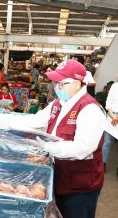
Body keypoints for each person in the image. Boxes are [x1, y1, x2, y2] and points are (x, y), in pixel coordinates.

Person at [22, 59, 105, 218]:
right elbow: (33, 121)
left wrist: (47, 147)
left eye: (62, 83)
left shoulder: (90, 109)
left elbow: (83, 148)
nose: (57, 87)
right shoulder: (58, 103)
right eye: (56, 83)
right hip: (59, 179)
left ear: (77, 83)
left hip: (80, 187)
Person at [102, 80, 118, 173]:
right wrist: (112, 116)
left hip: (115, 118)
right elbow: (108, 102)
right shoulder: (114, 86)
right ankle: (102, 164)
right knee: (107, 142)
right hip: (111, 117)